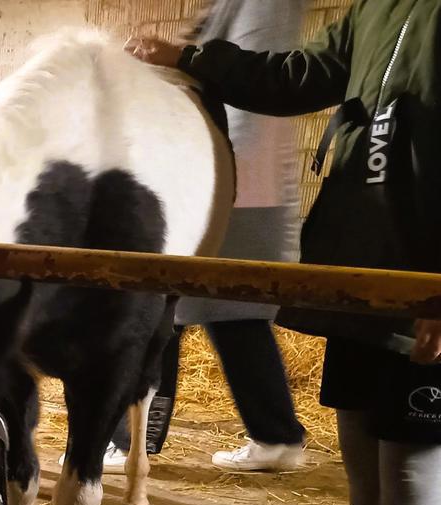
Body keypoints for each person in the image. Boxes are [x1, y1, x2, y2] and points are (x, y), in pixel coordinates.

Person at [128, 0, 441, 505]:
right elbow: (298, 76)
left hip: (424, 275)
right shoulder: (380, 9)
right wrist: (190, 56)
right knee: (364, 446)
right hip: (365, 264)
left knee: (413, 458)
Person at [104, 0, 309, 475]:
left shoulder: (263, 5)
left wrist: (214, 175)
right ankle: (274, 435)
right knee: (228, 317)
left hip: (231, 181)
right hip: (232, 178)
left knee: (169, 308)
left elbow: (255, 86)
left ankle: (133, 442)